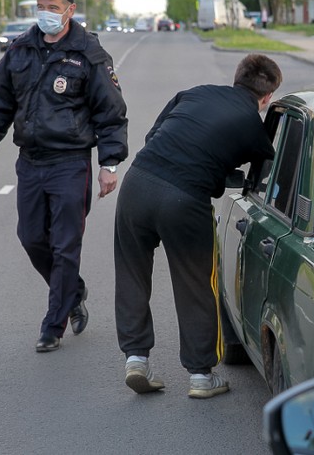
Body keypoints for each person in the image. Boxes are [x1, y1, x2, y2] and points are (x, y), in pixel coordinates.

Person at [0, 0, 129, 353]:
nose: (45, 13)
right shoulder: (21, 50)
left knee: (65, 245)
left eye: (53, 7)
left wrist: (109, 163)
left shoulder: (89, 53)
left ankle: (52, 325)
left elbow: (111, 112)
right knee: (31, 238)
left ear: (70, 10)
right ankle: (73, 293)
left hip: (71, 163)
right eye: (41, 6)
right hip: (31, 162)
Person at [113, 53, 282, 398]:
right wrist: (219, 176)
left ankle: (136, 359)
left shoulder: (193, 93)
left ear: (236, 78)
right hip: (184, 199)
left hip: (137, 183)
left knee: (131, 272)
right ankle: (201, 377)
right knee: (196, 283)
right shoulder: (255, 128)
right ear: (267, 98)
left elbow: (153, 135)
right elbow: (261, 178)